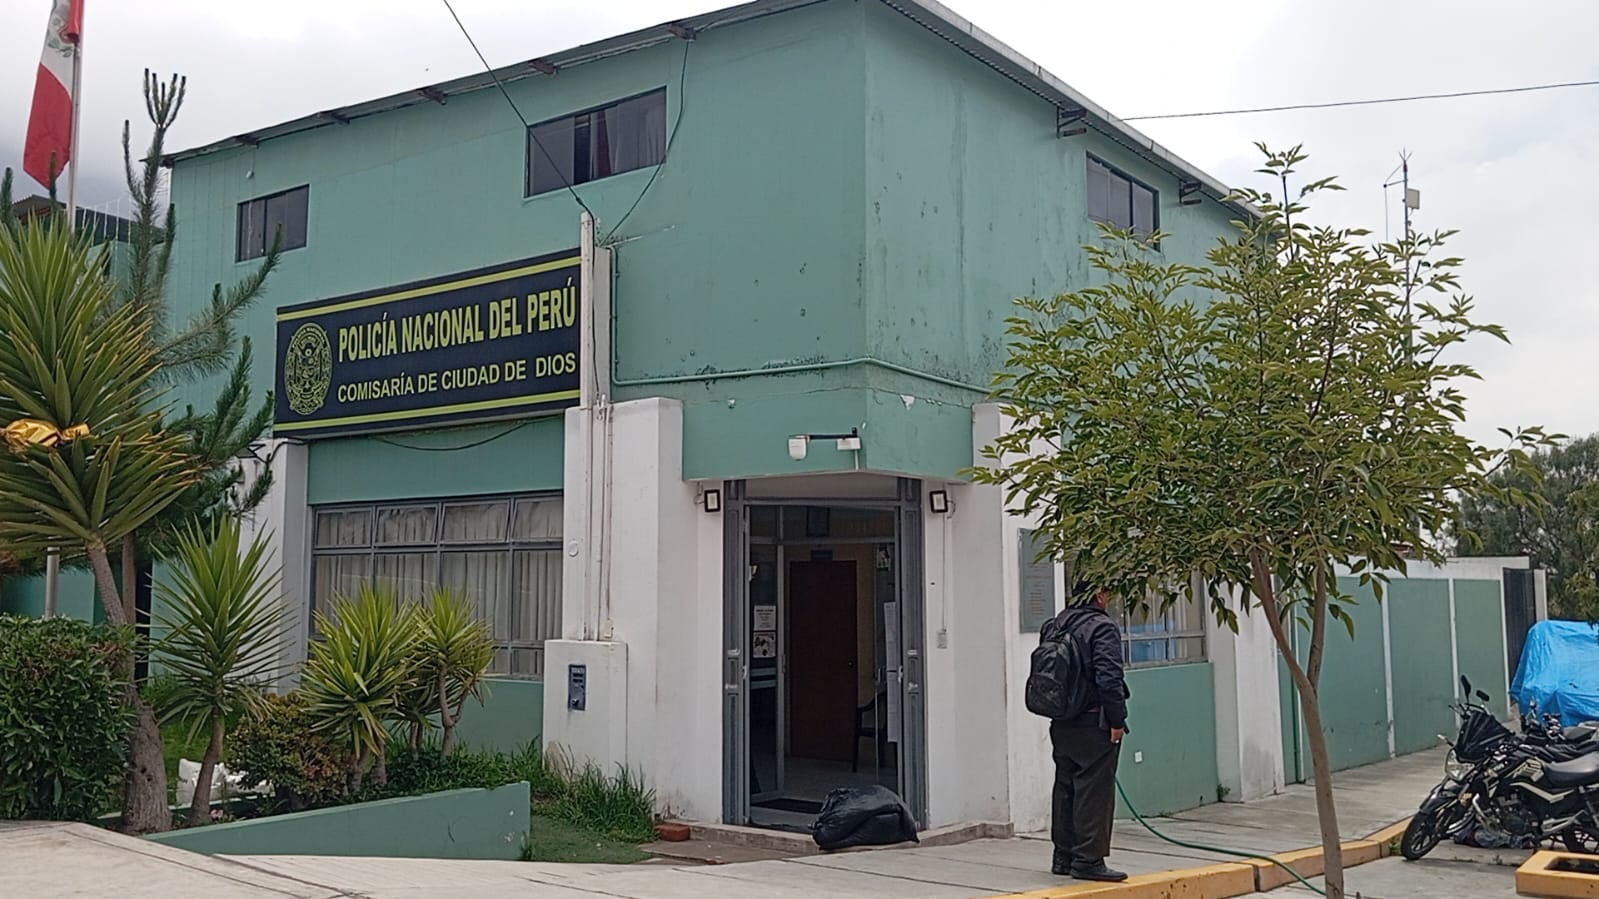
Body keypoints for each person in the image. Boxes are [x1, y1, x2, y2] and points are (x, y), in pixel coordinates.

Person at [1047, 580, 1131, 882]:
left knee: (1065, 787)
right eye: (1107, 593)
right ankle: (1088, 860)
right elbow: (1109, 677)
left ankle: (1063, 856)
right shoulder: (1102, 627)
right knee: (1094, 791)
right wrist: (1117, 721)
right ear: (1098, 595)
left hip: (1061, 720)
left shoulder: (1055, 625)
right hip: (1093, 721)